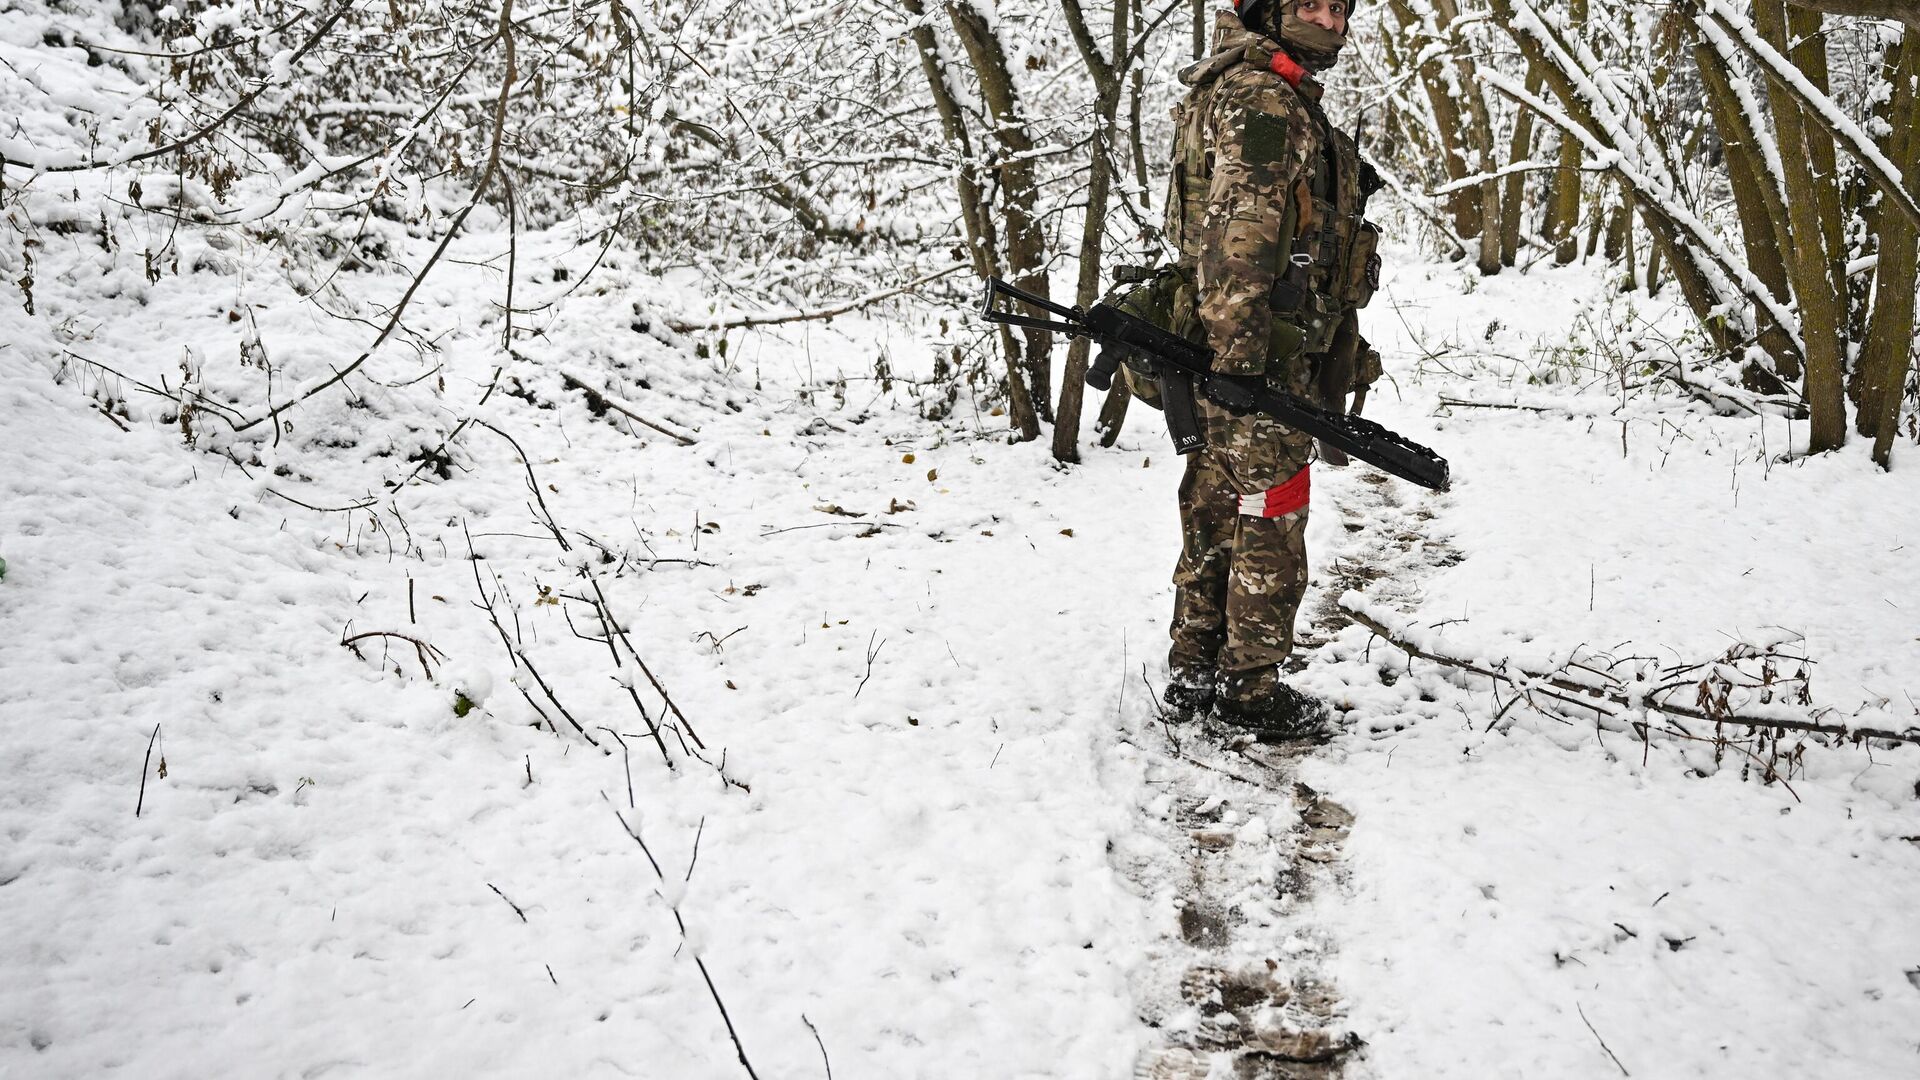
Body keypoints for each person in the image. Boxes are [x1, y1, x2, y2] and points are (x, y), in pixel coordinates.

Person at [1158, 0, 1383, 732]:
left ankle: (1195, 667)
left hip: (1231, 342)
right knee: (1270, 514)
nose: (1331, 22)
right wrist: (1246, 360)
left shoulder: (1235, 83)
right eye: (1312, 4)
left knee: (1217, 504)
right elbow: (1240, 236)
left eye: (1340, 10)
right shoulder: (1262, 97)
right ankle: (1249, 689)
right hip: (1255, 351)